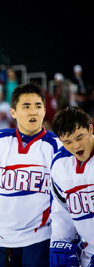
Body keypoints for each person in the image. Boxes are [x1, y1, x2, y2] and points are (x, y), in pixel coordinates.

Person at [0, 82, 62, 266]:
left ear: (44, 110)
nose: (33, 112)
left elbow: (63, 197)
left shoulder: (57, 147)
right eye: (26, 106)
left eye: (38, 106)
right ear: (13, 112)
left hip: (40, 240)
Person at [50, 106, 94, 267]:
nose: (76, 146)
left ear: (90, 129)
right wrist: (61, 244)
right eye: (67, 142)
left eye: (79, 137)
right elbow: (62, 211)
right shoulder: (59, 164)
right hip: (88, 255)